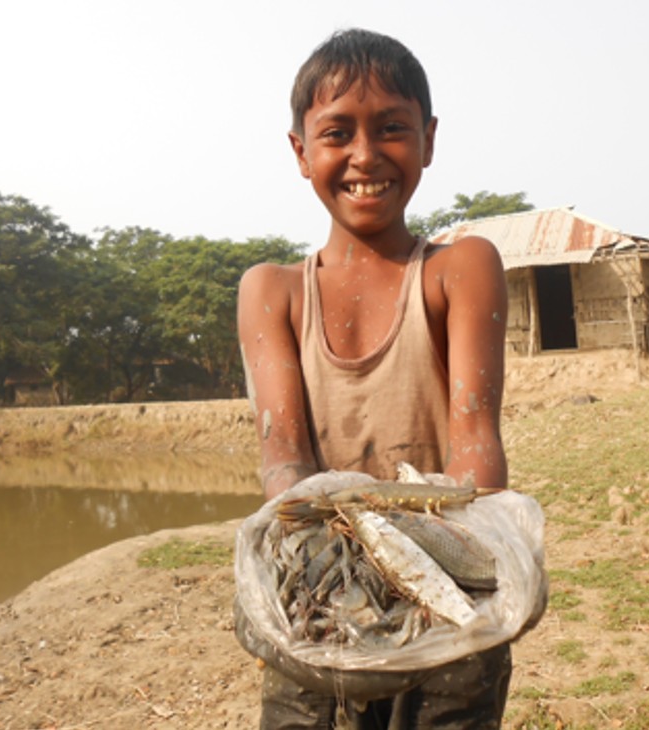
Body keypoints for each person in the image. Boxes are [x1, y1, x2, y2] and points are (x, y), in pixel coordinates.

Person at [237, 28, 512, 729]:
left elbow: (475, 445)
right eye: (337, 133)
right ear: (301, 151)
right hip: (323, 594)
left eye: (392, 128)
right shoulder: (272, 291)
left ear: (428, 138)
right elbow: (285, 462)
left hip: (444, 584)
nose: (366, 155)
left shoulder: (462, 268)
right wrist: (347, 558)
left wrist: (432, 560)